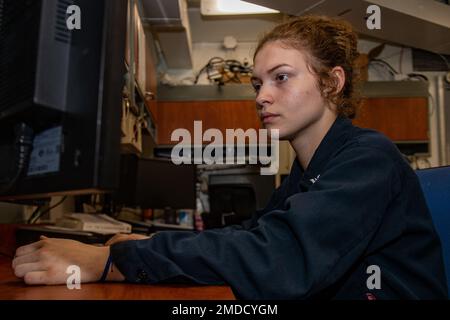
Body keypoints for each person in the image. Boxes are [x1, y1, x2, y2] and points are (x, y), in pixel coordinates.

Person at [12, 15, 448, 299]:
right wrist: (146, 246)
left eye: (281, 77)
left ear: (332, 82)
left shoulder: (368, 158)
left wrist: (112, 261)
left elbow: (281, 259)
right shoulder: (305, 173)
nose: (263, 96)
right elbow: (252, 235)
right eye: (258, 83)